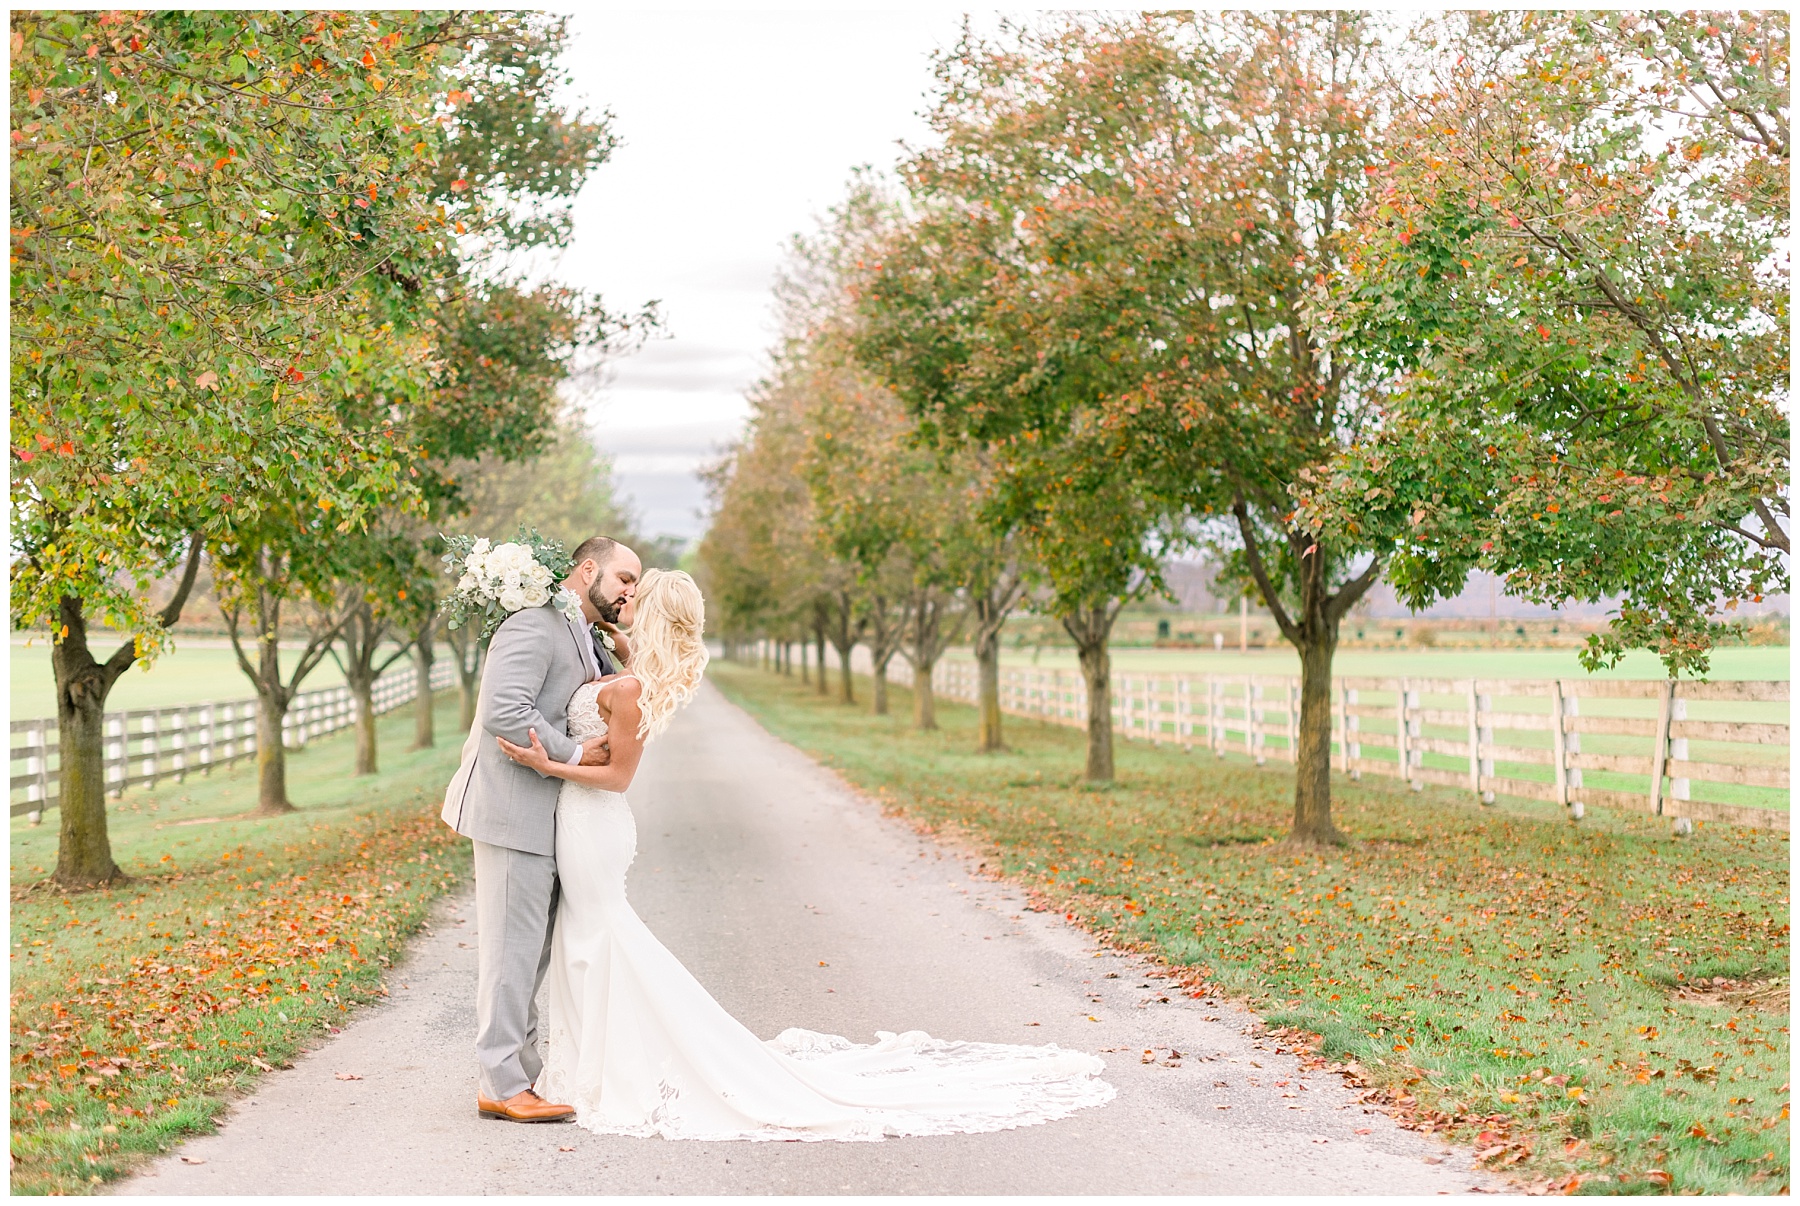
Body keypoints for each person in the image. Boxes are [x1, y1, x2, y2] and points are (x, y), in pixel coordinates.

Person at [495, 568, 1114, 1140]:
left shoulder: (630, 690)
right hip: (584, 823)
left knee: (596, 938)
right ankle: (580, 1068)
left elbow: (621, 776)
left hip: (594, 824)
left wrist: (546, 761)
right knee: (585, 939)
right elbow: (623, 668)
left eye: (637, 596)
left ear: (652, 616)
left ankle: (606, 1069)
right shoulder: (636, 671)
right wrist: (604, 625)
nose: (625, 599)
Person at [440, 535, 641, 1123]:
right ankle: (502, 1083)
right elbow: (506, 709)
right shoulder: (534, 623)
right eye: (624, 578)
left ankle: (514, 1076)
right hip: (510, 810)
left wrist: (625, 640)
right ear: (587, 570)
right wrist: (575, 755)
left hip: (549, 816)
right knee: (510, 952)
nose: (631, 589)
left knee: (530, 954)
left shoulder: (587, 634)